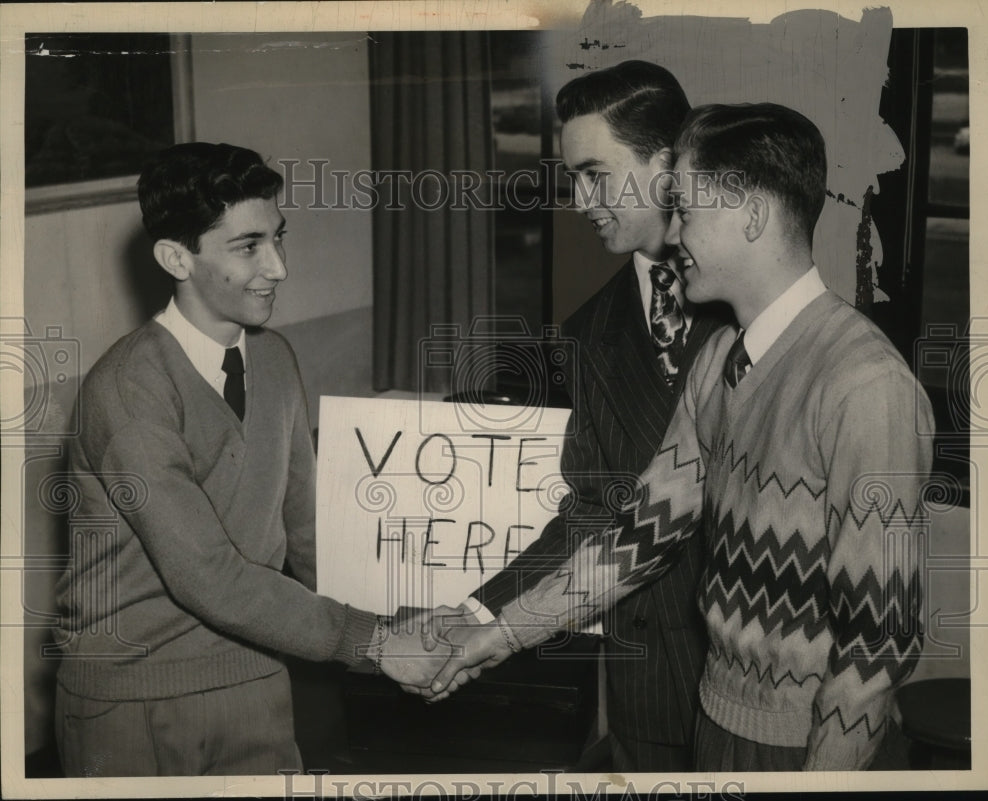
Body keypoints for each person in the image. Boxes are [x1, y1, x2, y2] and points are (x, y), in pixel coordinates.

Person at [427, 103, 933, 771]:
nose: (673, 231)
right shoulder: (720, 359)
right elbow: (637, 539)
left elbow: (882, 639)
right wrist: (497, 635)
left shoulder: (865, 385)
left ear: (751, 216)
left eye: (687, 210)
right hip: (711, 722)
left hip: (804, 747)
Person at [51, 142, 447, 777]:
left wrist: (406, 625)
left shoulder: (276, 360)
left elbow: (311, 533)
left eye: (278, 238)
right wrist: (375, 642)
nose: (279, 267)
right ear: (175, 257)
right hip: (135, 701)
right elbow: (206, 573)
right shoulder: (128, 390)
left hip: (259, 678)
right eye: (248, 246)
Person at [422, 60, 727, 772]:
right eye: (572, 177)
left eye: (596, 173)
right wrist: (477, 613)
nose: (580, 199)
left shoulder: (756, 304)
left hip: (755, 682)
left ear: (669, 162)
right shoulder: (589, 331)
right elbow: (593, 510)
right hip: (647, 686)